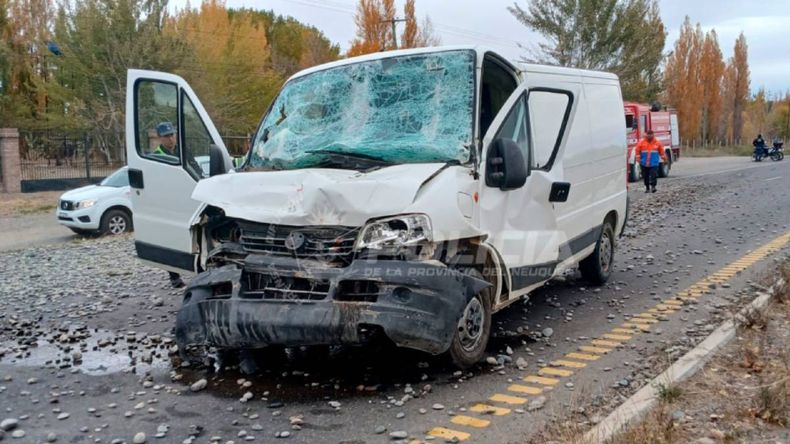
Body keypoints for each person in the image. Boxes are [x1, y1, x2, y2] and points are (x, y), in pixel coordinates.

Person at [152, 122, 186, 288]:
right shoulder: (157, 155)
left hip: (183, 199)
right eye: (167, 136)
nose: (171, 138)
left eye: (172, 134)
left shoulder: (183, 151)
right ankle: (174, 276)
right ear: (160, 138)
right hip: (168, 203)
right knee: (170, 240)